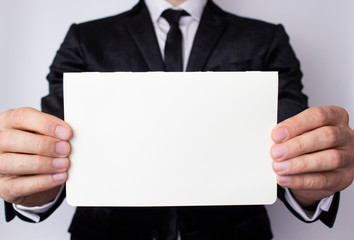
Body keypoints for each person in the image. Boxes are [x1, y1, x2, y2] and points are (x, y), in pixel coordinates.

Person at [0, 0, 353, 239]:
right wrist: (32, 184)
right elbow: (52, 147)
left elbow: (293, 148)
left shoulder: (265, 38)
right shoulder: (86, 38)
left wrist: (313, 184)